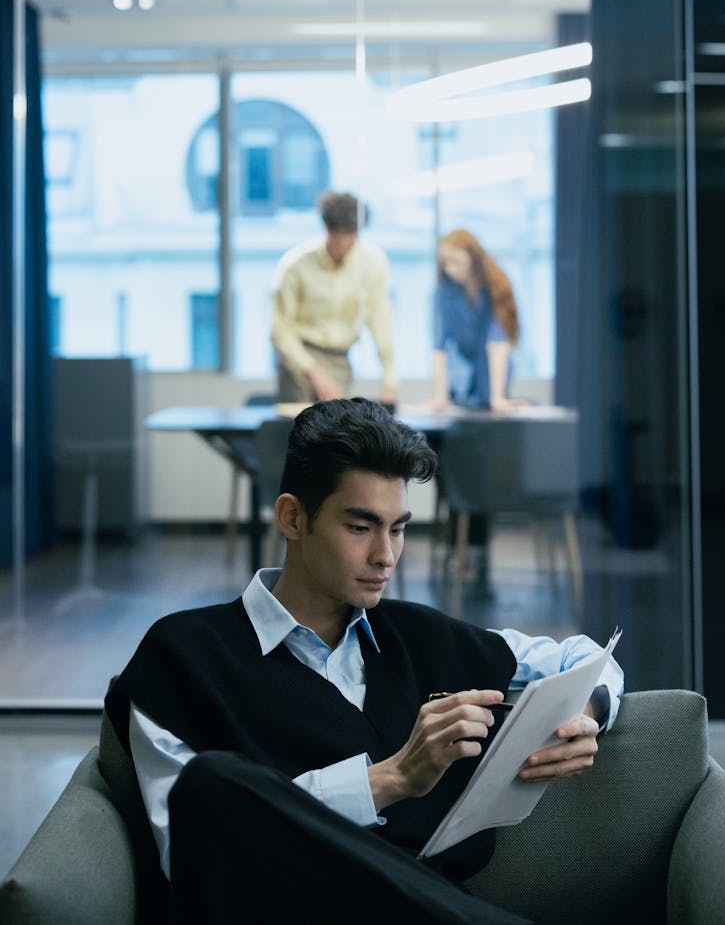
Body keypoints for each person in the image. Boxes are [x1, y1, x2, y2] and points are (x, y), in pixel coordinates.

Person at [105, 398, 623, 924]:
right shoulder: (180, 656)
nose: (386, 556)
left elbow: (585, 656)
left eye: (397, 528)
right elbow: (189, 850)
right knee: (210, 786)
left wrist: (591, 711)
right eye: (360, 528)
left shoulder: (420, 636)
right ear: (292, 517)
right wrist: (392, 778)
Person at [271, 190, 397, 405]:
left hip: (341, 359)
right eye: (343, 235)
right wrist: (312, 371)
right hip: (299, 359)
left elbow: (379, 318)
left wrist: (389, 378)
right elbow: (280, 330)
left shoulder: (372, 262)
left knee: (334, 434)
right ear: (328, 229)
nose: (348, 242)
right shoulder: (296, 265)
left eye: (354, 234)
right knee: (298, 431)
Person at [433, 229, 520, 413]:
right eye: (446, 262)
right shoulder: (444, 292)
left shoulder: (496, 286)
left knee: (491, 405)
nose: (450, 268)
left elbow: (498, 343)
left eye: (456, 262)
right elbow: (439, 346)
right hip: (462, 371)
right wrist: (439, 396)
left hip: (491, 369)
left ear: (473, 259)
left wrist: (498, 397)